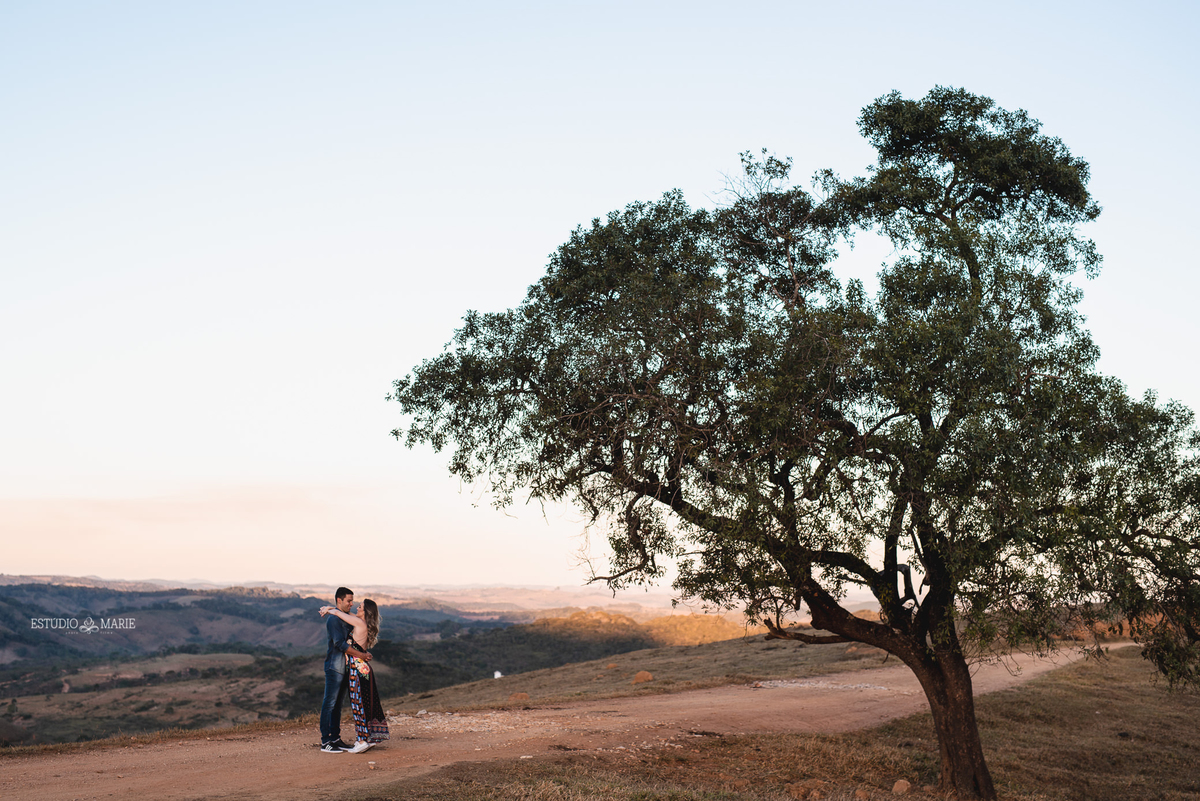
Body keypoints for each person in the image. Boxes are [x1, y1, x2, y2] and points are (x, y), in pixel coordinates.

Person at [319, 598, 390, 753]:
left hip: (356, 668)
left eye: (360, 607)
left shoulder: (359, 623)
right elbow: (344, 613)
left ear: (365, 612)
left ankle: (362, 740)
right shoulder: (361, 622)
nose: (356, 607)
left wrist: (329, 609)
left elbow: (340, 613)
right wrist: (329, 608)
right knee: (365, 703)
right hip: (362, 667)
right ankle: (368, 737)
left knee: (359, 704)